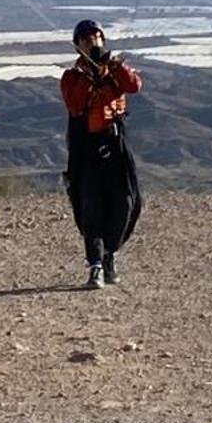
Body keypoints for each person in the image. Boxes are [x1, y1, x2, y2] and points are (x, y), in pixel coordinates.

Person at [60, 19, 142, 289]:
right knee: (90, 206)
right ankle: (95, 265)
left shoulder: (115, 70)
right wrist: (91, 78)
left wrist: (113, 68)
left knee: (127, 202)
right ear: (77, 46)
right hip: (87, 149)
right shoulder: (72, 77)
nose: (92, 43)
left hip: (116, 146)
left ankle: (109, 252)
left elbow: (134, 86)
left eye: (96, 38)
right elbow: (75, 104)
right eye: (85, 40)